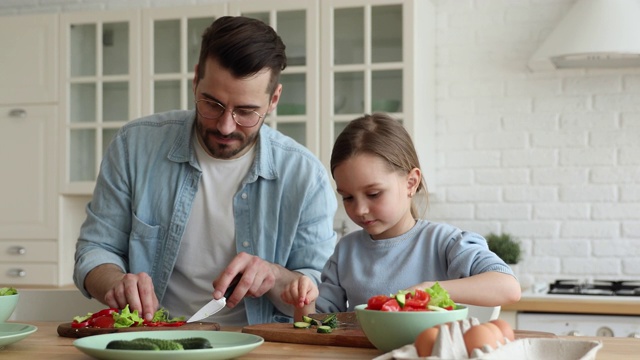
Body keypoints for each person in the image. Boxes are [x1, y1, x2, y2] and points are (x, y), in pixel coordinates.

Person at [73, 16, 338, 326]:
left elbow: (322, 295)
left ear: (273, 99)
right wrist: (115, 283)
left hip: (259, 345)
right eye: (212, 104)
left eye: (245, 111)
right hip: (153, 339)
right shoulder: (134, 146)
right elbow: (95, 249)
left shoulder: (304, 176)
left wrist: (275, 276)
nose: (226, 126)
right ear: (196, 79)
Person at [281, 113, 521, 319]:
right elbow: (318, 326)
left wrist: (429, 289)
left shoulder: (446, 243)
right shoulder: (346, 252)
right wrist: (304, 301)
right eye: (348, 197)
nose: (360, 209)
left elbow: (508, 287)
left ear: (411, 182)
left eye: (373, 194)